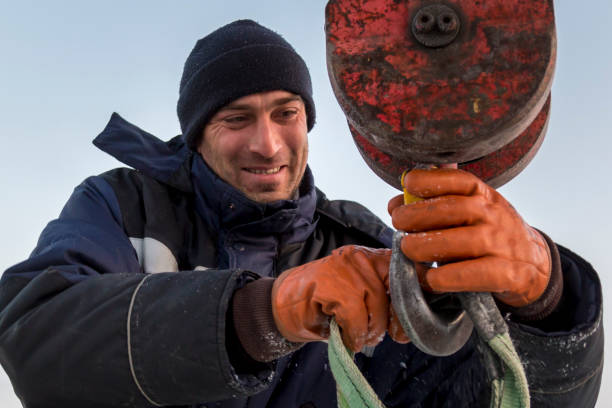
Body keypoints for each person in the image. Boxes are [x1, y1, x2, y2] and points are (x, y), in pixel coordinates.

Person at [0, 19, 602, 408]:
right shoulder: (122, 208)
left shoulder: (367, 250)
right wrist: (267, 311)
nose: (267, 143)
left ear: (308, 122)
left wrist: (549, 299)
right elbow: (33, 339)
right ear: (196, 134)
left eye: (286, 113)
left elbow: (502, 397)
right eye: (236, 119)